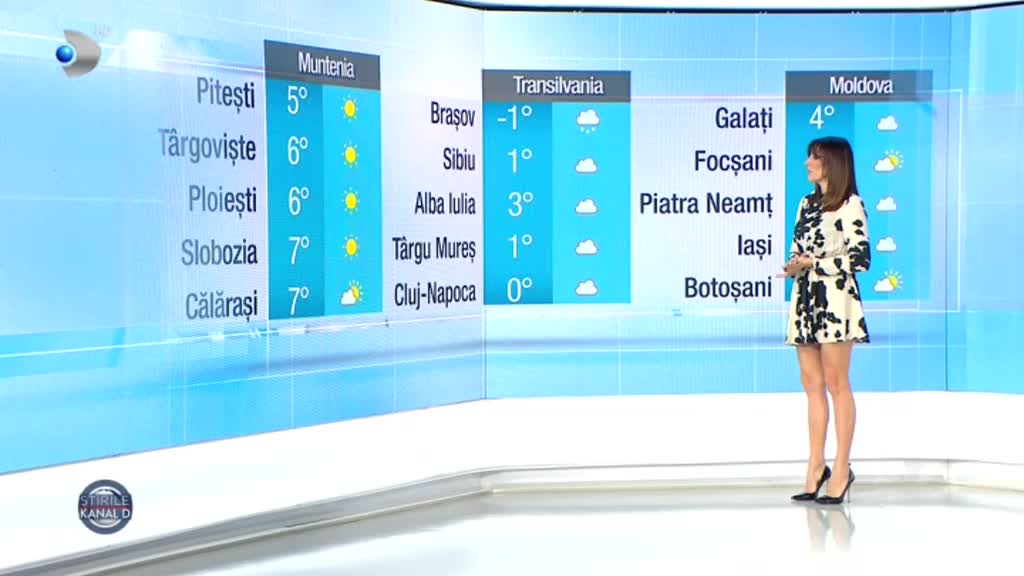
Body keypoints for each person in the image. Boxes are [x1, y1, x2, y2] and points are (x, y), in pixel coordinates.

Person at [781, 136, 870, 505]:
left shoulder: (850, 204)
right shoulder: (805, 204)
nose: (807, 163)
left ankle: (842, 467)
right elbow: (798, 247)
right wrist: (794, 265)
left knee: (836, 384)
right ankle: (815, 467)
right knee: (812, 386)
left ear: (832, 163)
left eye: (814, 158)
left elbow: (861, 259)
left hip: (835, 301)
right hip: (805, 300)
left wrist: (815, 264)